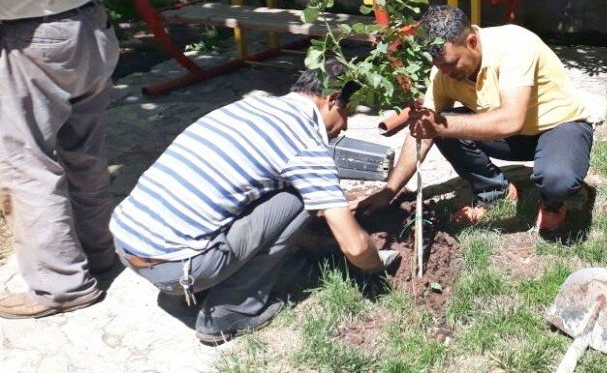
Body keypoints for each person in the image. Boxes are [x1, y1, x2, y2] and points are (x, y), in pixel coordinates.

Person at [109, 66, 397, 343]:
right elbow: (356, 248)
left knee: (272, 188)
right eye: (346, 113)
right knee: (297, 200)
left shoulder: (247, 106)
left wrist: (316, 245)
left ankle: (198, 283)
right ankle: (230, 313)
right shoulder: (306, 143)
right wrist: (377, 270)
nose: (344, 126)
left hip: (127, 243)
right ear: (332, 99)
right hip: (177, 268)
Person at [0, 0, 120, 319]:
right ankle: (100, 253)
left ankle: (61, 285)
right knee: (83, 153)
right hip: (88, 26)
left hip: (31, 37)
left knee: (27, 165)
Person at [355, 6, 596, 233]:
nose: (446, 73)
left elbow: (511, 120)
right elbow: (421, 131)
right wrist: (389, 191)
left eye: (451, 64)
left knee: (557, 179)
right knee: (442, 124)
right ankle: (495, 191)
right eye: (439, 67)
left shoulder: (514, 45)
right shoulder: (443, 71)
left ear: (471, 41)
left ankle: (553, 201)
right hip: (512, 137)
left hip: (560, 126)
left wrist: (439, 124)